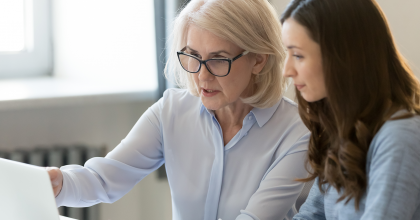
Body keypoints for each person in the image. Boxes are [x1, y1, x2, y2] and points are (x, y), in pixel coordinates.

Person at [47, 0, 311, 220]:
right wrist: (59, 182)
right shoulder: (171, 111)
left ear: (258, 59)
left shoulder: (297, 133)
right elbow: (103, 179)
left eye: (218, 60)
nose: (202, 77)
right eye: (193, 56)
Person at [280, 0, 420, 219]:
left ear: (341, 57)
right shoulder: (344, 129)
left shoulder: (400, 137)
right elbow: (311, 215)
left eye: (298, 55)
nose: (287, 70)